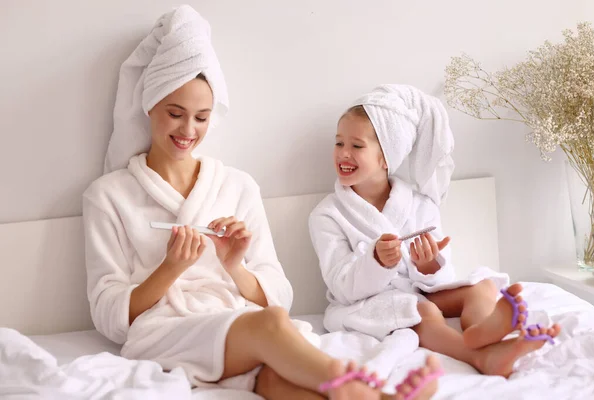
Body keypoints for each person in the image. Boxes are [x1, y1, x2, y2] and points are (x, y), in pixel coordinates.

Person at [83, 6, 441, 399]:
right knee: (270, 325)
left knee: (274, 381)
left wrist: (234, 266)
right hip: (165, 331)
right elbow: (109, 318)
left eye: (201, 118)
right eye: (175, 114)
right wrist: (170, 268)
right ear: (150, 106)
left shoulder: (238, 186)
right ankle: (363, 389)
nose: (189, 130)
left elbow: (280, 296)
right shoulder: (107, 196)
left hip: (239, 323)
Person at [309, 84, 560, 378]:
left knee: (482, 287)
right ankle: (479, 356)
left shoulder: (420, 205)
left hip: (417, 289)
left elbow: (443, 277)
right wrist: (376, 262)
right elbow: (341, 286)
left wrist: (428, 265)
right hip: (362, 304)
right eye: (339, 143)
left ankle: (483, 331)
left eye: (356, 145)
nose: (344, 153)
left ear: (386, 157)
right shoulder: (327, 215)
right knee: (420, 310)